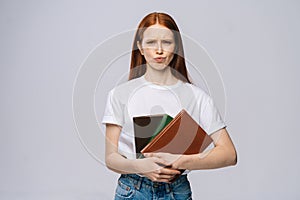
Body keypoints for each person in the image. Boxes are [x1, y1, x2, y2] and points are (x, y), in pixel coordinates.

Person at [102, 12, 237, 200]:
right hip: (133, 190)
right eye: (151, 42)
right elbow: (110, 157)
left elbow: (229, 154)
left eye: (166, 42)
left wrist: (181, 160)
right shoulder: (120, 95)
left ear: (176, 47)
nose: (159, 50)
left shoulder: (197, 98)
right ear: (140, 47)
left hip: (176, 191)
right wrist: (141, 166)